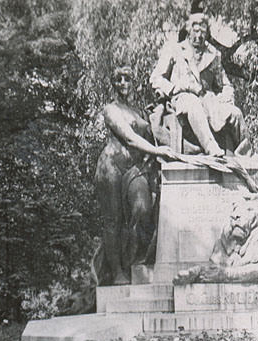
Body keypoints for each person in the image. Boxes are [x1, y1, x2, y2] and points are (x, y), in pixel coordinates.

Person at [94, 67, 180, 285]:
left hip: (134, 169)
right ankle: (116, 272)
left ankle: (132, 258)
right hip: (111, 166)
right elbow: (130, 138)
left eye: (127, 79)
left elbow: (153, 135)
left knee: (142, 209)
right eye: (118, 80)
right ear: (113, 84)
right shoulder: (111, 110)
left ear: (133, 83)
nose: (123, 83)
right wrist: (158, 151)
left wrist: (164, 110)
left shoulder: (138, 111)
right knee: (113, 220)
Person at [150, 13, 246, 157]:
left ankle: (246, 155)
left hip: (208, 100)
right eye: (196, 31)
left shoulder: (213, 54)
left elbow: (226, 85)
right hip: (181, 98)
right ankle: (210, 146)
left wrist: (225, 98)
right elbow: (156, 78)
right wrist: (173, 88)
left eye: (203, 31)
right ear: (189, 30)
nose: (199, 35)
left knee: (235, 113)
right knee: (193, 104)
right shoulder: (175, 50)